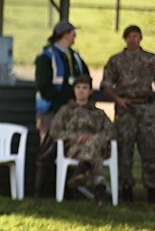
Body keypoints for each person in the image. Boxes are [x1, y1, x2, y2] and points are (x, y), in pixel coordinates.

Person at [101, 25, 155, 203]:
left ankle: (151, 187)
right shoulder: (116, 60)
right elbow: (106, 84)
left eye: (136, 36)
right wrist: (118, 99)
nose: (133, 39)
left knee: (149, 148)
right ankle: (126, 188)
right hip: (125, 109)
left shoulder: (150, 59)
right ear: (125, 38)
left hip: (146, 109)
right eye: (130, 36)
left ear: (141, 38)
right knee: (125, 149)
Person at [49, 75, 117, 205]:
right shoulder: (65, 111)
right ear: (74, 90)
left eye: (85, 88)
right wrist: (76, 137)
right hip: (75, 147)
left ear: (90, 91)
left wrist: (95, 138)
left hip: (98, 146)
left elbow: (111, 132)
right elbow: (54, 132)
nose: (81, 91)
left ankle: (81, 170)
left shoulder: (98, 113)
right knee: (93, 153)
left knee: (92, 145)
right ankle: (100, 191)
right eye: (78, 87)